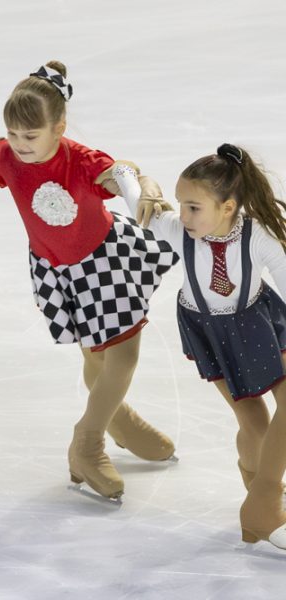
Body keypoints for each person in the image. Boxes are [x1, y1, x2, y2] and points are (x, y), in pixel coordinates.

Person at [0, 61, 179, 499]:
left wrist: (146, 188)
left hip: (104, 262)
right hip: (56, 269)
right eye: (14, 134)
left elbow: (122, 173)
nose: (20, 146)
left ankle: (99, 429)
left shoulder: (80, 161)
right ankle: (102, 430)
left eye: (31, 136)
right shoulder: (6, 153)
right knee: (98, 355)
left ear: (59, 127)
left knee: (121, 354)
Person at [109, 143, 286, 548]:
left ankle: (264, 500)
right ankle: (258, 492)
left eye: (194, 207)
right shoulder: (175, 229)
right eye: (181, 205)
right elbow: (136, 198)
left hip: (260, 322)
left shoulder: (257, 236)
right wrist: (124, 173)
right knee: (254, 423)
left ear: (227, 207)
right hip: (211, 331)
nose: (183, 215)